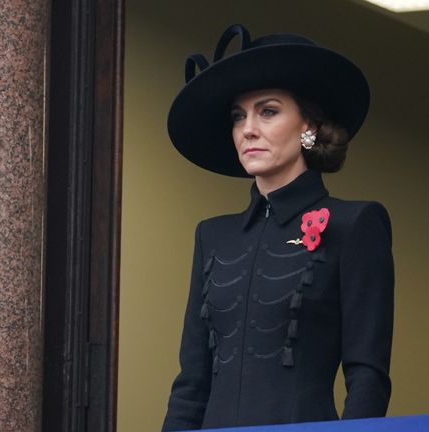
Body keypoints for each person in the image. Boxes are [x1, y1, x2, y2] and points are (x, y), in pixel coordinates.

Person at [162, 25, 393, 430]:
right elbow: (191, 384)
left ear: (309, 127)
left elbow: (367, 376)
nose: (248, 128)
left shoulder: (355, 224)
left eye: (268, 111)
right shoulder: (212, 236)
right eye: (239, 116)